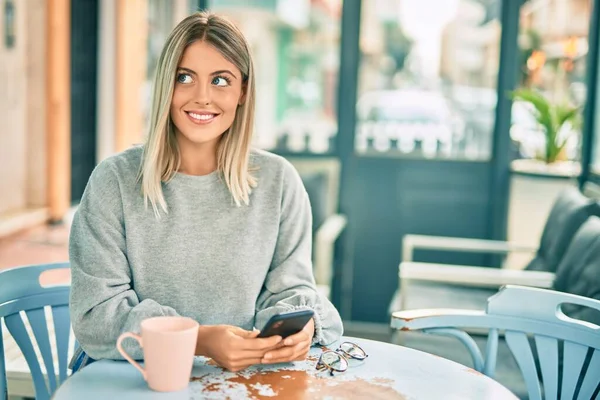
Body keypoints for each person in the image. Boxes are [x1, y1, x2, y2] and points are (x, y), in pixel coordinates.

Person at [69, 11, 343, 373]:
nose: (202, 97)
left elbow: (291, 291)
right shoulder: (114, 181)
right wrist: (198, 338)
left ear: (243, 91)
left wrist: (297, 327)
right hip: (130, 378)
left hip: (239, 381)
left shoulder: (279, 182)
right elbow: (97, 316)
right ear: (166, 84)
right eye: (185, 78)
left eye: (220, 80)